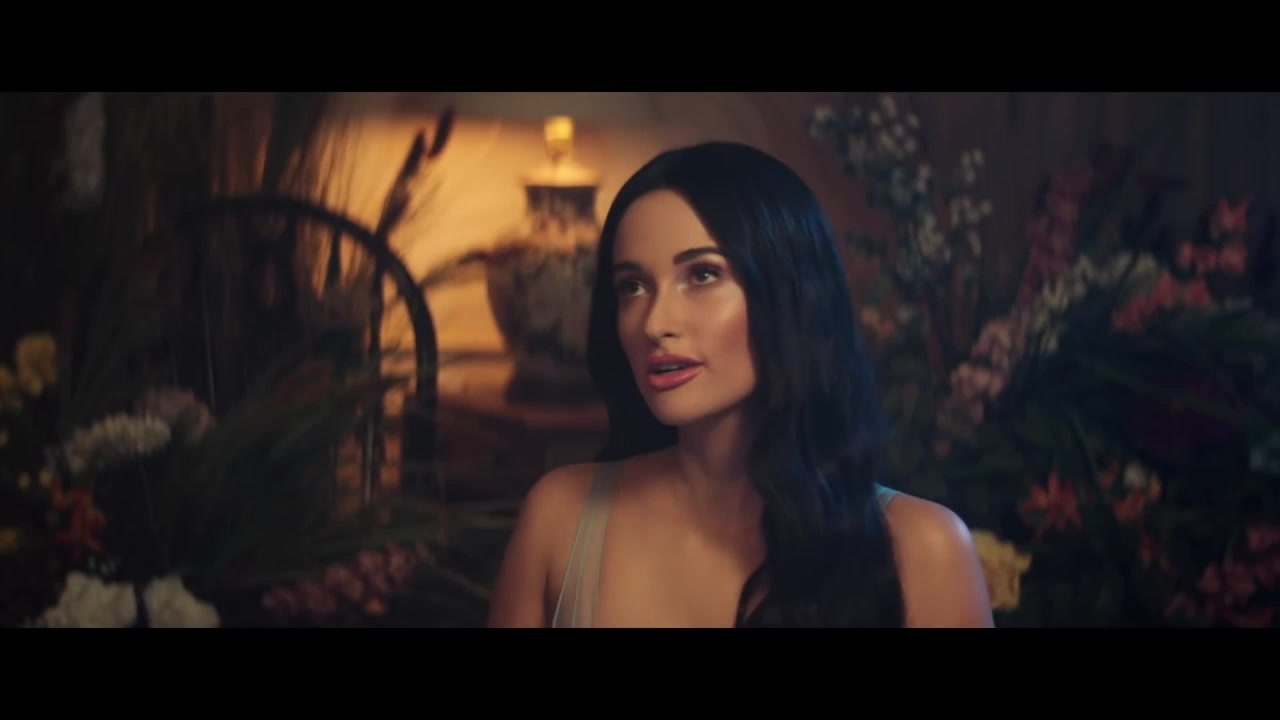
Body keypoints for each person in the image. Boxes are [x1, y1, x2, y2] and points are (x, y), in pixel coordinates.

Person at [487, 141, 993, 628]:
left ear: (792, 293)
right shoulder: (560, 519)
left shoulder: (925, 551)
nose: (655, 322)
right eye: (632, 286)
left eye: (702, 275)